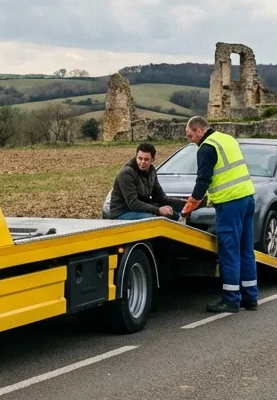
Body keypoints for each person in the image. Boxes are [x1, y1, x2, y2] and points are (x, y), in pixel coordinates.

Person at [181, 116, 258, 313]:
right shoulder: (227, 139)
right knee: (246, 249)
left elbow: (203, 181)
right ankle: (250, 297)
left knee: (228, 251)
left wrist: (188, 208)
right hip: (247, 198)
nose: (190, 140)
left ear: (199, 130)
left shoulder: (206, 148)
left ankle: (231, 299)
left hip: (229, 203)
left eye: (190, 136)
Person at [107, 143, 184, 221]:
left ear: (152, 160)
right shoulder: (126, 173)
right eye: (140, 158)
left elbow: (160, 197)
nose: (142, 162)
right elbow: (133, 203)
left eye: (146, 159)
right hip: (122, 212)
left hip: (141, 209)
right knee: (155, 220)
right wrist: (158, 210)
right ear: (136, 157)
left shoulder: (152, 171)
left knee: (175, 215)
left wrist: (184, 205)